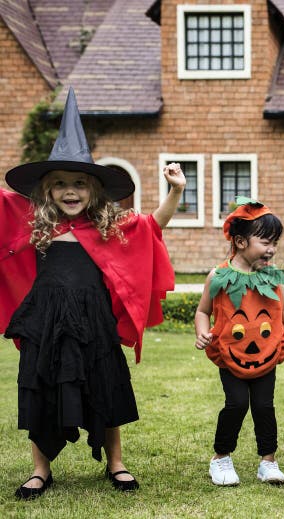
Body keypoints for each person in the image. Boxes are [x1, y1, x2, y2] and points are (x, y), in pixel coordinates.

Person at [0, 87, 184, 499]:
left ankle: (116, 463)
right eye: (61, 183)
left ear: (94, 190)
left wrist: (175, 191)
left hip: (93, 320)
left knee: (105, 383)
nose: (71, 191)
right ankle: (39, 469)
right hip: (44, 321)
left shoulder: (108, 228)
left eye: (80, 183)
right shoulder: (36, 228)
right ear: (46, 189)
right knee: (39, 385)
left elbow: (153, 228)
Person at [194, 197, 284, 487]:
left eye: (275, 242)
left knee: (264, 406)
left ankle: (268, 461)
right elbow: (203, 311)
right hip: (231, 353)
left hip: (266, 352)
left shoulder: (272, 278)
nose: (271, 249)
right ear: (240, 242)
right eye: (265, 242)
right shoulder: (219, 277)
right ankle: (221, 457)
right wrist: (202, 332)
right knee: (236, 404)